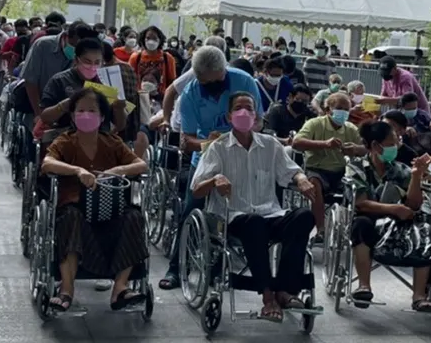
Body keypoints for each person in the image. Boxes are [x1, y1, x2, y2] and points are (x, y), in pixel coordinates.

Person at [191, 92, 318, 321]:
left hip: (270, 213)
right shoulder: (218, 147)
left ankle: (285, 289)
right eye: (238, 108)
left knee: (304, 217)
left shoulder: (270, 145)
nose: (244, 112)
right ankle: (268, 296)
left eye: (249, 108)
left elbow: (291, 171)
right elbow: (196, 189)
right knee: (254, 223)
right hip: (233, 217)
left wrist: (301, 179)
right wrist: (214, 180)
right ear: (229, 116)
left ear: (256, 114)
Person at [159, 44, 263, 289]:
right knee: (190, 209)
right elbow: (187, 141)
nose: (213, 87)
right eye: (206, 82)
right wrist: (210, 143)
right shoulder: (191, 94)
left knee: (239, 212)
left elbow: (258, 121)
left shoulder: (245, 82)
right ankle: (176, 268)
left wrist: (237, 135)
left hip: (241, 156)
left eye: (216, 81)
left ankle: (220, 268)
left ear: (224, 71)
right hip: (206, 159)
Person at [40, 89, 150, 311]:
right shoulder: (65, 141)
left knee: (134, 217)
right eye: (80, 111)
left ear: (102, 117)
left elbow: (141, 165)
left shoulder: (112, 142)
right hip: (75, 208)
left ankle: (120, 288)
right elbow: (47, 163)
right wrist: (77, 170)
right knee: (70, 218)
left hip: (111, 208)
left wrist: (119, 170)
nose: (86, 115)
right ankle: (66, 289)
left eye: (92, 111)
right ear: (73, 116)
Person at [346, 119, 431, 311]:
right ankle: (364, 286)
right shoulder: (356, 168)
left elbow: (414, 204)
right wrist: (393, 209)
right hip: (370, 218)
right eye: (391, 143)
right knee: (361, 224)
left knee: (425, 228)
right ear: (375, 145)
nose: (396, 146)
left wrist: (416, 176)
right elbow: (361, 203)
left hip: (399, 222)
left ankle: (419, 295)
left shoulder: (401, 170)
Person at [292, 91, 364, 240]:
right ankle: (320, 229)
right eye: (339, 108)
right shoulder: (315, 124)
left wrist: (355, 149)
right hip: (317, 169)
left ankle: (351, 229)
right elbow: (296, 143)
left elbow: (366, 148)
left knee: (357, 186)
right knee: (314, 184)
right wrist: (324, 144)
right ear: (327, 109)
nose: (343, 112)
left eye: (346, 109)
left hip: (342, 171)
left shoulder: (351, 129)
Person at [129, 25, 177, 96]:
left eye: (154, 38)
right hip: (139, 97)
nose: (151, 41)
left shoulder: (167, 58)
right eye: (148, 38)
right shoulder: (135, 57)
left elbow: (172, 80)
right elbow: (130, 80)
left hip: (160, 98)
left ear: (160, 40)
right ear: (143, 39)